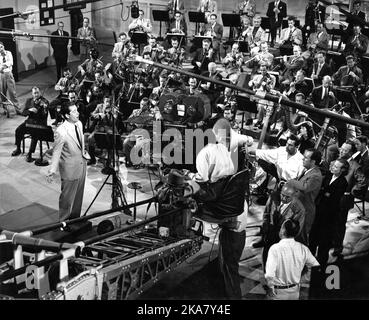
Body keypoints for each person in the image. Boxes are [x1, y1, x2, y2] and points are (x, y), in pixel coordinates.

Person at [187, 118, 247, 299]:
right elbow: (245, 139)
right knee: (226, 262)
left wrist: (190, 177)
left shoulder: (208, 153)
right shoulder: (230, 144)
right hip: (234, 209)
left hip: (231, 224)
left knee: (231, 267)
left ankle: (234, 297)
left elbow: (202, 178)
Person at [46, 104, 90, 222]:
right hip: (69, 168)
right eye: (74, 112)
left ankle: (75, 219)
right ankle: (63, 222)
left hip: (81, 164)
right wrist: (52, 171)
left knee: (78, 195)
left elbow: (80, 143)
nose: (77, 113)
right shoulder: (61, 131)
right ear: (67, 115)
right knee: (67, 197)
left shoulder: (79, 124)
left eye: (77, 110)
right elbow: (56, 152)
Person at [265, 219, 319, 300]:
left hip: (278, 292)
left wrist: (270, 287)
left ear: (283, 231)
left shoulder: (274, 249)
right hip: (295, 292)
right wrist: (303, 279)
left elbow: (269, 274)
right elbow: (315, 266)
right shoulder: (303, 248)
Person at [309, 158, 349, 266]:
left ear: (342, 170)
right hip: (318, 212)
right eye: (333, 165)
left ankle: (321, 265)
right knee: (312, 238)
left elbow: (333, 199)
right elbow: (323, 192)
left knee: (324, 242)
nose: (333, 167)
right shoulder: (328, 176)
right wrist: (325, 193)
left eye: (336, 167)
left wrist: (325, 193)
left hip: (329, 217)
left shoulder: (343, 182)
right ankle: (309, 261)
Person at [259, 183, 306, 265]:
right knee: (266, 256)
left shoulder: (299, 209)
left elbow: (296, 231)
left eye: (287, 197)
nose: (283, 198)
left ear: (294, 196)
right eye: (282, 195)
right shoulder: (273, 197)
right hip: (270, 234)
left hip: (283, 239)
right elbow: (266, 213)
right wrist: (265, 226)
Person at [288, 149, 323, 245]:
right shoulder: (307, 171)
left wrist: (291, 181)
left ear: (313, 161)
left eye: (306, 158)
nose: (303, 159)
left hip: (305, 211)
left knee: (300, 240)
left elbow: (305, 187)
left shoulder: (315, 175)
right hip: (298, 208)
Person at [11, 87, 49, 162]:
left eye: (38, 92)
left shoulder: (45, 101)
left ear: (40, 93)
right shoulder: (29, 101)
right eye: (35, 93)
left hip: (40, 123)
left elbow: (45, 115)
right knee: (18, 130)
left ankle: (30, 153)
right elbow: (23, 113)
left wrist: (43, 109)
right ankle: (18, 149)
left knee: (35, 134)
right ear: (32, 94)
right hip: (30, 122)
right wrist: (29, 110)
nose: (36, 94)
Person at [0, 41, 21, 115]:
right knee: (3, 94)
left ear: (3, 46)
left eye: (1, 47)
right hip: (1, 75)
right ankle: (5, 109)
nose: (0, 49)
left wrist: (3, 65)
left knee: (12, 93)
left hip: (9, 74)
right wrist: (2, 67)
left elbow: (11, 62)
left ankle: (18, 109)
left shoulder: (8, 53)